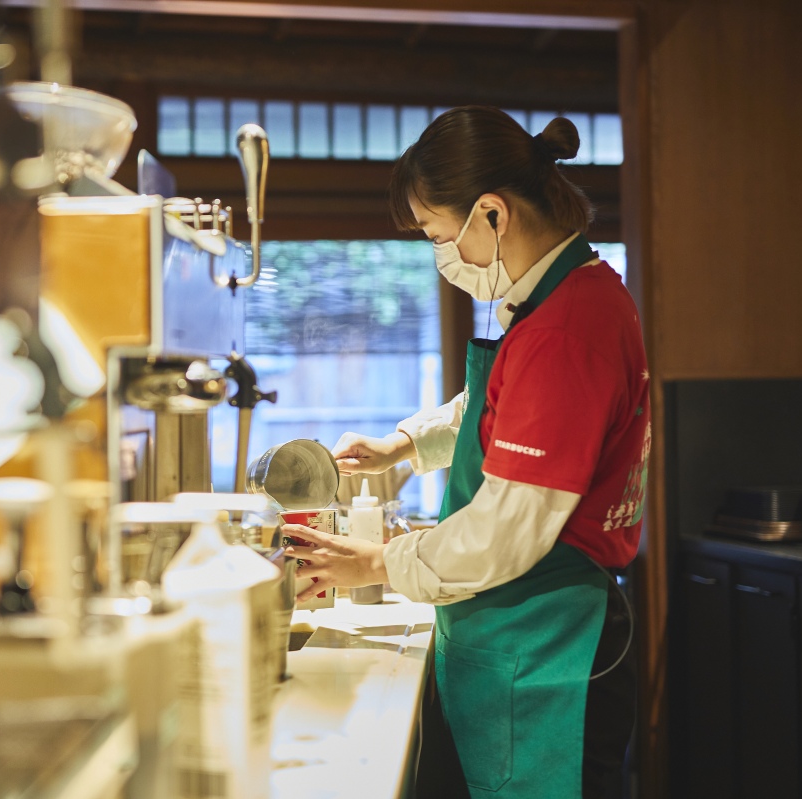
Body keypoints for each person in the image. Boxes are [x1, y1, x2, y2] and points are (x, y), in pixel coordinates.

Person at [282, 107, 648, 799]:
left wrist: (379, 562)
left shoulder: (566, 330)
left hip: (547, 644)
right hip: (521, 633)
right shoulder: (564, 297)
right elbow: (501, 407)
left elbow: (507, 528)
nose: (441, 255)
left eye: (437, 234)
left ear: (492, 213)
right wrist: (403, 445)